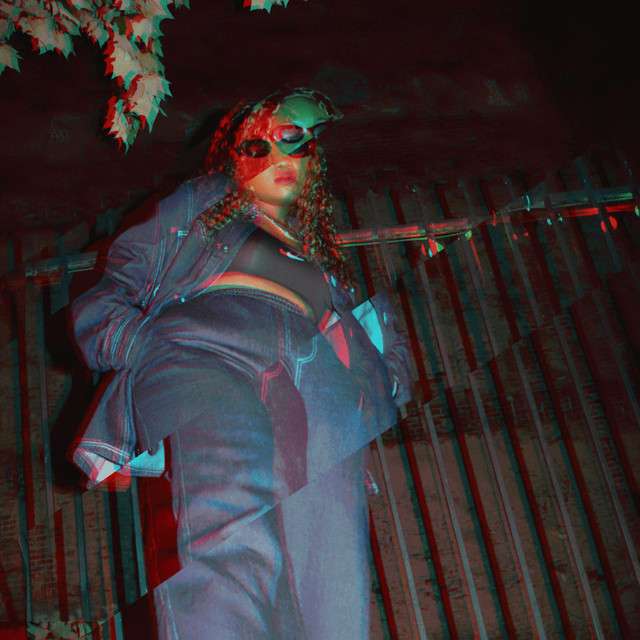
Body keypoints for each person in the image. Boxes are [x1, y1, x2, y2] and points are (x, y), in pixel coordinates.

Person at [70, 87, 413, 639]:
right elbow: (116, 283)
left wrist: (382, 379)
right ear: (235, 158)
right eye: (258, 145)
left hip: (312, 363)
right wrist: (141, 346)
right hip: (209, 343)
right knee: (230, 519)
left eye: (294, 142)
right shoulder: (201, 203)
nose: (278, 156)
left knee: (333, 559)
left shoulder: (317, 251)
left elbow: (380, 345)